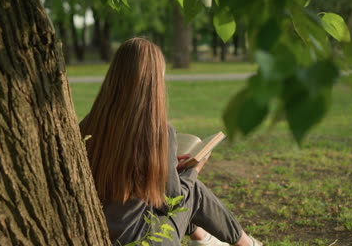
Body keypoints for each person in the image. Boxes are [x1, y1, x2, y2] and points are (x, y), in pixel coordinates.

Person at [79, 38, 262, 246]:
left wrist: (164, 167)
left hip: (103, 234)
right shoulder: (158, 132)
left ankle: (202, 238)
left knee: (182, 184)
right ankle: (245, 244)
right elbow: (173, 202)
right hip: (145, 241)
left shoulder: (89, 124)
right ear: (154, 82)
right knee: (192, 189)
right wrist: (195, 169)